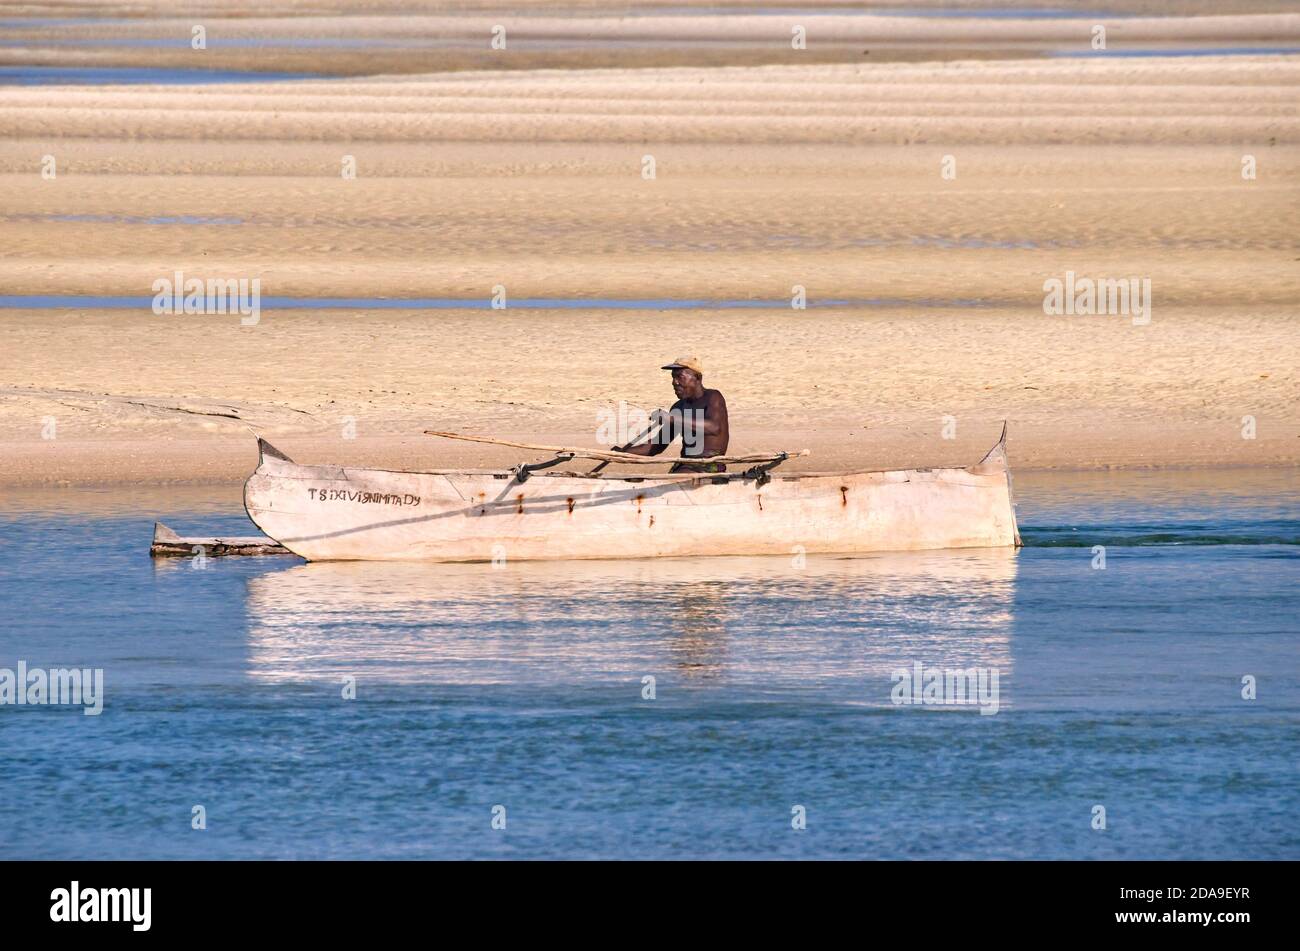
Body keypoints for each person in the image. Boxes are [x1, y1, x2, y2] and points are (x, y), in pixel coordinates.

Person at [618, 356, 729, 473]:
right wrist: (623, 453)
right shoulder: (678, 407)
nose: (674, 382)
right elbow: (657, 446)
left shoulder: (713, 397)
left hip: (708, 465)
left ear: (697, 377)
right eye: (673, 377)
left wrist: (671, 418)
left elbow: (714, 427)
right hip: (684, 465)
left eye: (680, 377)